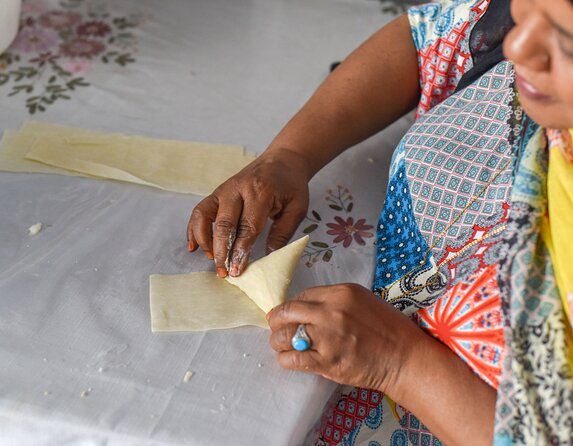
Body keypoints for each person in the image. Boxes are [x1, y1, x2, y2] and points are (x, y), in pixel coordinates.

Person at [186, 0, 573, 444]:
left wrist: (400, 363)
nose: (518, 44)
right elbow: (428, 40)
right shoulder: (527, 44)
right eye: (526, 11)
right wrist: (289, 155)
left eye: (564, 41)